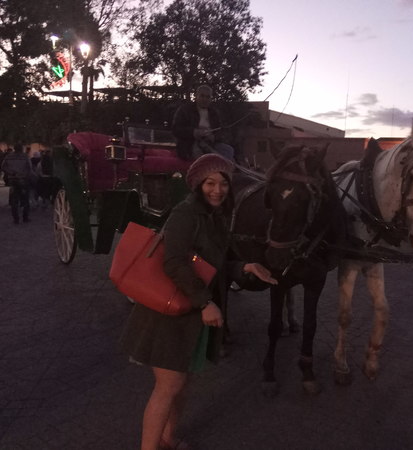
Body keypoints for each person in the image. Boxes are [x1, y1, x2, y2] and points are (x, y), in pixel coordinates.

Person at [120, 154, 276, 450]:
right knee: (169, 386)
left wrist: (244, 267)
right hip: (167, 312)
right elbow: (174, 262)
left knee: (182, 384)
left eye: (223, 184)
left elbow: (212, 264)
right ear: (197, 185)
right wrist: (206, 303)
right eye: (210, 183)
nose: (218, 190)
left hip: (189, 312)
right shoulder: (186, 213)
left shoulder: (216, 217)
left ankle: (168, 438)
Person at [172, 85, 235, 161]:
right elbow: (176, 129)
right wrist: (194, 132)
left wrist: (213, 137)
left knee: (228, 150)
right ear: (196, 96)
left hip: (210, 144)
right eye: (202, 96)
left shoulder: (214, 113)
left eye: (208, 97)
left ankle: (223, 168)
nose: (205, 99)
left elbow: (222, 131)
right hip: (190, 144)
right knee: (202, 156)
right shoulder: (184, 110)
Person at [1, 143, 34, 224]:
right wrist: (26, 175)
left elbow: (3, 167)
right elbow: (30, 168)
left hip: (13, 180)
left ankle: (16, 218)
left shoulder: (8, 156)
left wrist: (11, 173)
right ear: (21, 149)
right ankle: (25, 217)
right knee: (25, 199)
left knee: (14, 200)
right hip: (23, 180)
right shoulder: (25, 156)